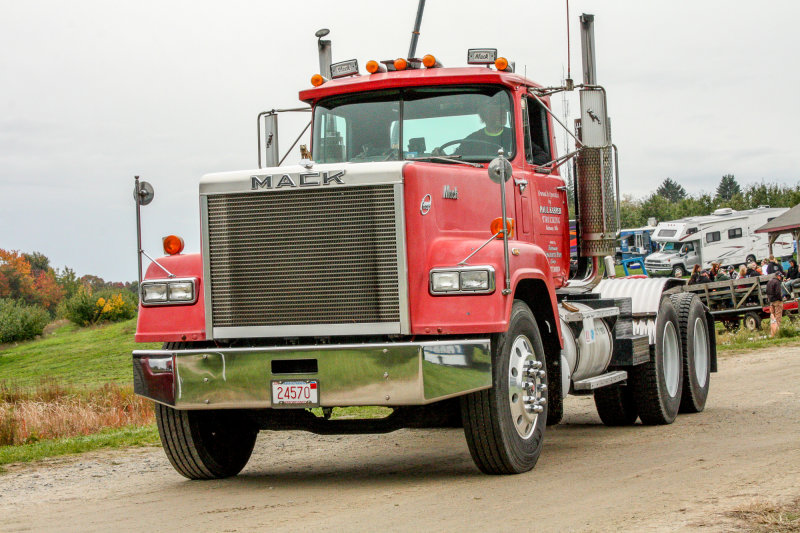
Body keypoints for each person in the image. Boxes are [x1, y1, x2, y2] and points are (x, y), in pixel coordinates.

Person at [766, 271, 784, 337]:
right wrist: (781, 299)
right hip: (777, 301)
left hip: (771, 301)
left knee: (772, 317)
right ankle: (778, 332)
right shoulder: (777, 282)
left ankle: (772, 332)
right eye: (780, 276)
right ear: (778, 276)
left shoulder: (769, 281)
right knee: (778, 317)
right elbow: (778, 292)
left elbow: (767, 291)